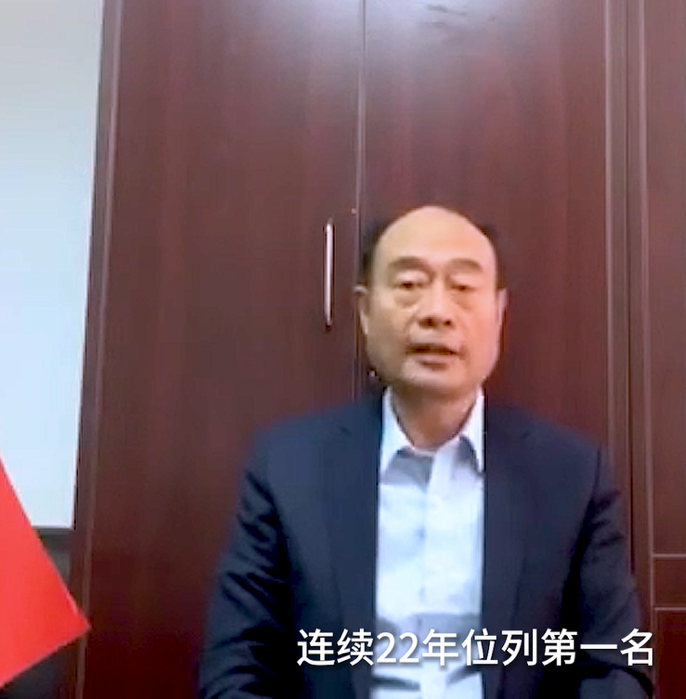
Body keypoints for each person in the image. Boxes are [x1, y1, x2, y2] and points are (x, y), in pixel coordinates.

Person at [198, 205, 653, 698]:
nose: (437, 312)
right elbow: (236, 667)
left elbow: (620, 664)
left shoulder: (572, 476)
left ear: (498, 313)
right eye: (410, 284)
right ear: (365, 311)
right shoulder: (288, 468)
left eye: (463, 287)